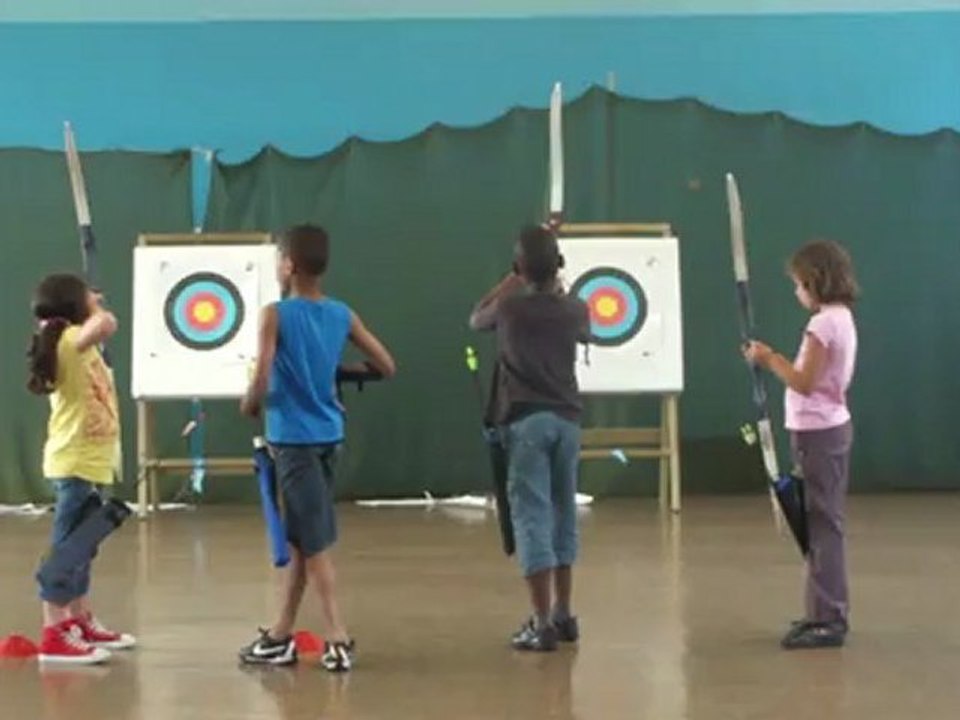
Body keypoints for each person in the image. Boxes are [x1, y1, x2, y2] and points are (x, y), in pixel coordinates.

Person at [239, 224, 395, 672]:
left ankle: (337, 636)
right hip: (328, 438)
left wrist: (251, 402)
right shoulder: (342, 314)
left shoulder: (276, 314)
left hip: (294, 443)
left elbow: (264, 374)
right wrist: (334, 372)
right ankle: (280, 635)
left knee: (316, 542)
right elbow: (386, 365)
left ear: (288, 265)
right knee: (302, 539)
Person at [469, 224, 590, 652]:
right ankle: (564, 613)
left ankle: (540, 624)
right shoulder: (576, 309)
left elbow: (476, 316)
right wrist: (549, 269)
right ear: (557, 265)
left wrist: (514, 276)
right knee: (562, 514)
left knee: (533, 518)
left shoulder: (510, 310)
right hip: (568, 422)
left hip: (526, 425)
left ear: (520, 267)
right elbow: (582, 327)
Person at [743, 239, 859, 649]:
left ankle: (828, 618)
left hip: (818, 433)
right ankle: (820, 612)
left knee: (822, 526)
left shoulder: (823, 324)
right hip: (826, 431)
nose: (796, 292)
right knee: (818, 523)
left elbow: (804, 382)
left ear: (813, 281)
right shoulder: (840, 317)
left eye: (797, 283)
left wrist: (767, 357)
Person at [27, 273, 136, 664]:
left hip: (91, 462)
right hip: (74, 462)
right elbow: (107, 323)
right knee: (67, 550)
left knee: (83, 547)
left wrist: (86, 301)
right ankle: (53, 631)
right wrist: (93, 306)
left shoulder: (78, 345)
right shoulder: (68, 343)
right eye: (87, 295)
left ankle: (78, 620)